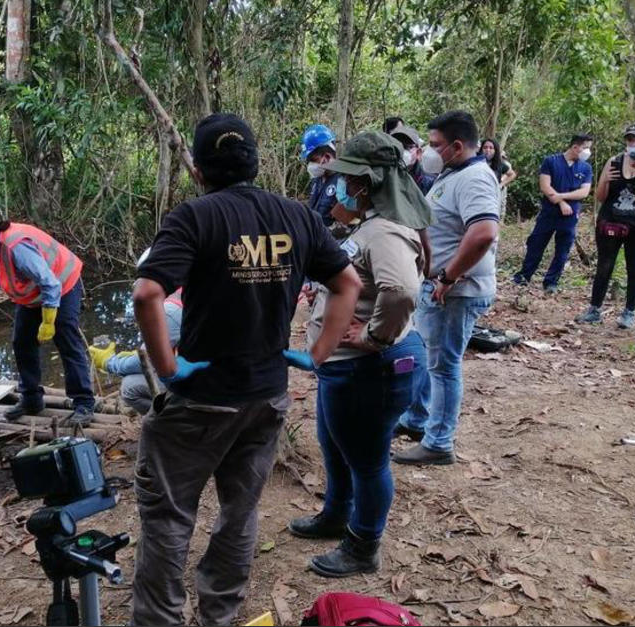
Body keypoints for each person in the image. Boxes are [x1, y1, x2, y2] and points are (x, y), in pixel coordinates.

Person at [130, 113, 361, 625]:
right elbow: (348, 283)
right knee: (240, 514)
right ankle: (221, 615)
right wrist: (319, 353)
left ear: (198, 169)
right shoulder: (297, 215)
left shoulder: (193, 217)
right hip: (265, 396)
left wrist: (168, 367)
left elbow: (148, 294)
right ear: (254, 162)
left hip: (201, 398)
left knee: (169, 515)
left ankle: (161, 620)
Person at [286, 131, 431, 577]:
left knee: (367, 460)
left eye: (349, 178)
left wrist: (372, 337)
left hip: (371, 367)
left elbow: (403, 289)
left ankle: (363, 545)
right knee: (335, 443)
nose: (341, 185)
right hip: (346, 370)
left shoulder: (385, 230)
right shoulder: (368, 225)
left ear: (367, 184)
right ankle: (336, 514)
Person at [393, 110, 500, 466]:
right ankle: (418, 419)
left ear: (457, 145)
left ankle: (439, 442)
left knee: (444, 365)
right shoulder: (454, 173)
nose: (429, 151)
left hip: (455, 290)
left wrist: (448, 276)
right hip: (440, 285)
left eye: (436, 145)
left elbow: (483, 232)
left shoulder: (475, 179)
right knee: (430, 357)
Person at [0, 210, 96, 424]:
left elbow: (50, 284)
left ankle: (84, 403)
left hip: (62, 286)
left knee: (67, 341)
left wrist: (48, 320)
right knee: (22, 342)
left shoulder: (17, 247)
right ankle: (32, 399)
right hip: (35, 293)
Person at [575, 122, 635, 329]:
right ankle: (594, 310)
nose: (633, 143)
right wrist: (606, 180)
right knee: (604, 266)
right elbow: (599, 196)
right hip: (611, 221)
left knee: (634, 267)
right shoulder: (614, 161)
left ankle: (629, 313)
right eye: (629, 140)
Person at [512, 134, 594, 294]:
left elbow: (584, 192)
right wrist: (560, 202)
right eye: (586, 147)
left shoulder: (586, 168)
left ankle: (551, 282)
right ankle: (524, 276)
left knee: (562, 250)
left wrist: (562, 196)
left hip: (570, 216)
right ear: (575, 147)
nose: (588, 152)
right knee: (536, 244)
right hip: (549, 213)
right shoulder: (551, 161)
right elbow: (545, 186)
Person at [88, 287, 183, 414]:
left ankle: (176, 419)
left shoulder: (170, 312)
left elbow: (143, 364)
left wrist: (109, 362)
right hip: (211, 377)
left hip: (201, 389)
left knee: (129, 386)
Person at [301, 124, 341, 226]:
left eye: (313, 160)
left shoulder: (344, 181)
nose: (310, 165)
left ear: (327, 157)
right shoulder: (316, 180)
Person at [388, 121, 436, 194]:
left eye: (407, 147)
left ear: (418, 153)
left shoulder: (430, 182)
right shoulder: (383, 176)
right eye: (397, 146)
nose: (401, 151)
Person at [479, 138, 517, 218]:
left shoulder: (500, 164)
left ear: (495, 150)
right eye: (485, 147)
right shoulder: (476, 162)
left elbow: (512, 174)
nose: (487, 150)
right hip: (478, 195)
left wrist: (501, 184)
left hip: (493, 196)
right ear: (481, 149)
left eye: (491, 148)